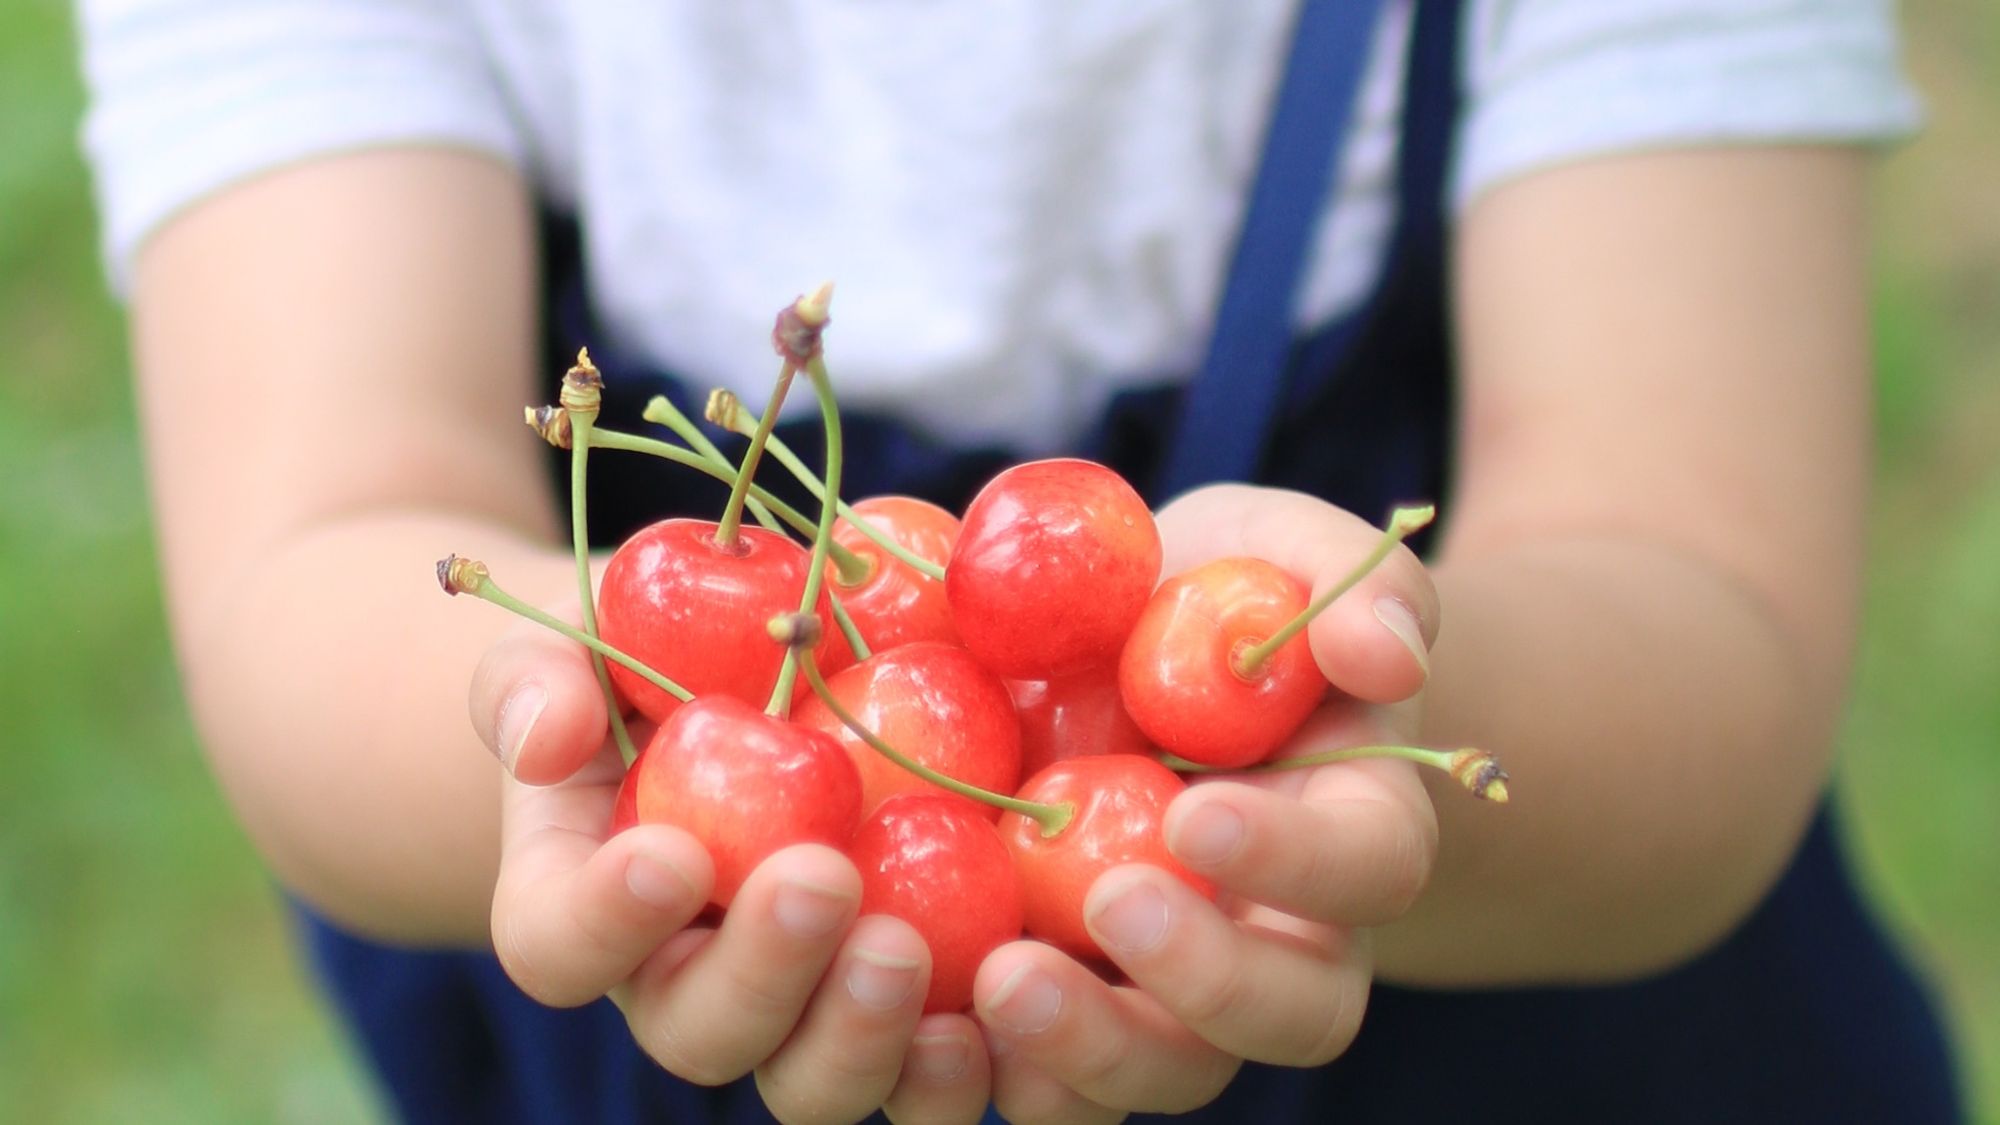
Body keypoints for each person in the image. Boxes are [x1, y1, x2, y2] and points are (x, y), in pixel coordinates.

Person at [77, 0, 1964, 1121]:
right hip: (688, 956)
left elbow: (1699, 605)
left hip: (1541, 1024)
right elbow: (320, 557)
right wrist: (600, 733)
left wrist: (1363, 725)